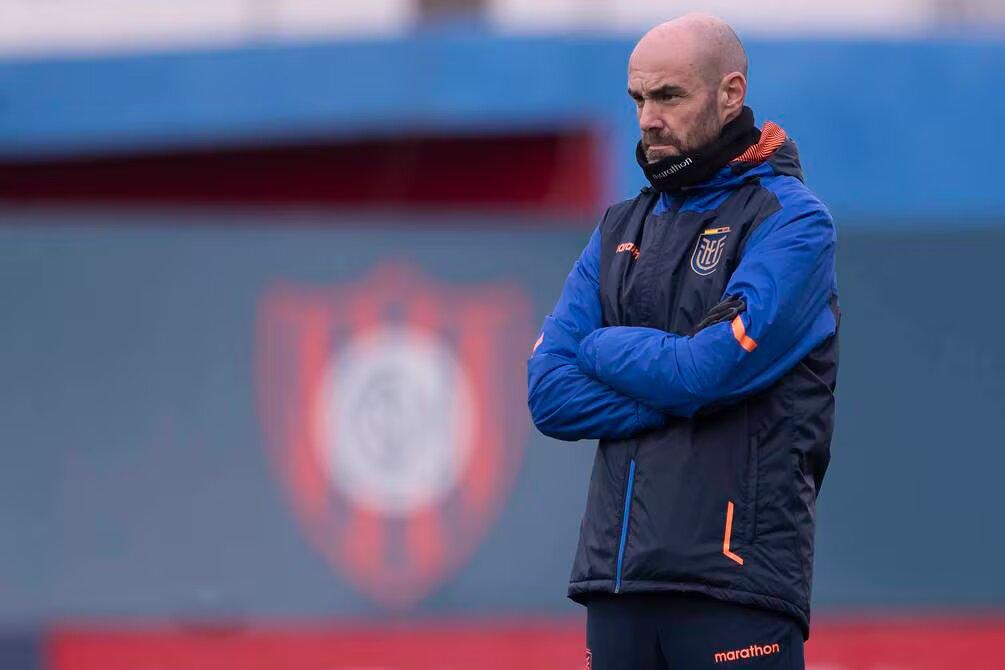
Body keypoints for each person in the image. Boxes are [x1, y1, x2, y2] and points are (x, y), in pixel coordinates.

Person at [527, 13, 839, 669]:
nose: (646, 118)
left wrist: (603, 350)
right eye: (638, 99)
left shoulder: (792, 221)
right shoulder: (618, 225)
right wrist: (683, 386)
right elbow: (550, 395)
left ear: (729, 93)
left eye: (668, 96)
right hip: (617, 584)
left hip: (735, 585)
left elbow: (708, 372)